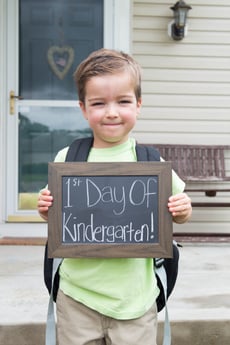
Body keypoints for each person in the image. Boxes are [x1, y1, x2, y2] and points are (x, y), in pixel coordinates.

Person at [38, 48, 192, 345]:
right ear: (83, 108)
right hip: (77, 295)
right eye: (98, 103)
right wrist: (46, 209)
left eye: (123, 101)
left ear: (138, 104)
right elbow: (55, 213)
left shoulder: (150, 162)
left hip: (134, 299)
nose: (111, 112)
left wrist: (182, 209)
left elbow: (180, 211)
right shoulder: (69, 158)